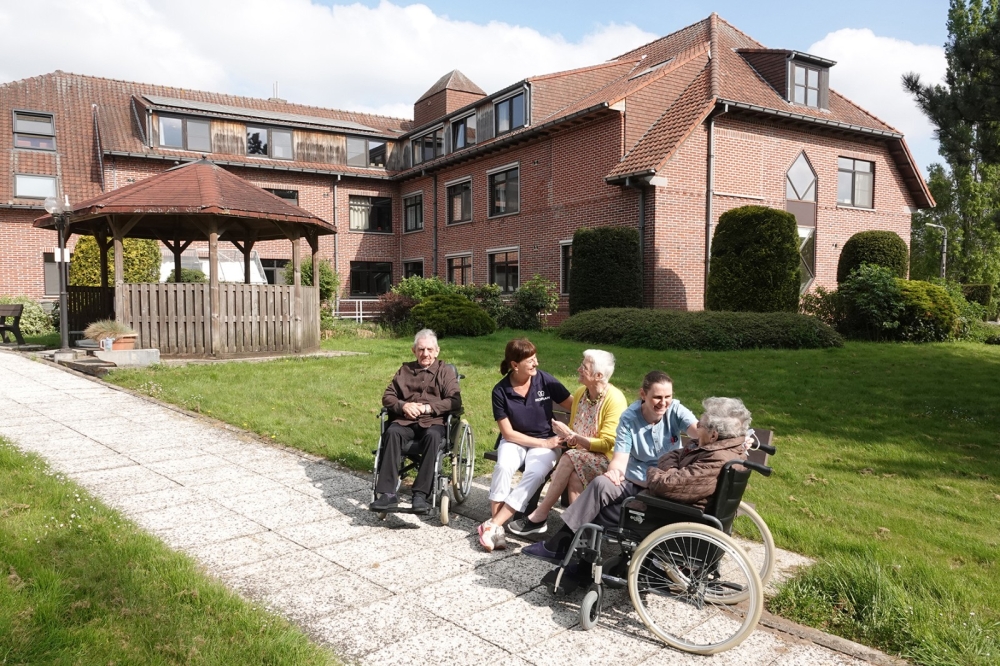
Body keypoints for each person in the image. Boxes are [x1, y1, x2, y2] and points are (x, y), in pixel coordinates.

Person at [522, 370, 698, 561]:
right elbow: (620, 458)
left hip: (662, 483)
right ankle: (564, 546)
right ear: (643, 395)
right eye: (657, 397)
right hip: (635, 479)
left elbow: (698, 432)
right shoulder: (629, 418)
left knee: (591, 486)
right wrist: (614, 472)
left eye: (668, 396)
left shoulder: (676, 411)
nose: (663, 402)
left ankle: (565, 546)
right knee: (601, 484)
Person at [507, 349, 627, 536]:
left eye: (584, 367)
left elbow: (608, 444)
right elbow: (573, 431)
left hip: (608, 462)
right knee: (573, 472)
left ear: (598, 375)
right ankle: (580, 533)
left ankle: (540, 515)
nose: (579, 369)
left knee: (571, 459)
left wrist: (575, 438)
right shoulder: (581, 393)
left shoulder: (615, 399)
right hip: (579, 457)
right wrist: (564, 436)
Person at [478, 338, 573, 552]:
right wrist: (544, 442)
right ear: (514, 365)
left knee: (536, 472)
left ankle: (493, 525)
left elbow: (574, 404)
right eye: (530, 360)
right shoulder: (500, 391)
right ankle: (498, 528)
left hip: (546, 444)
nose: (536, 363)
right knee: (503, 467)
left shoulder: (544, 380)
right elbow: (508, 433)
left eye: (535, 358)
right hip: (517, 441)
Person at [371, 329, 461, 514]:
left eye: (429, 349)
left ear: (437, 351)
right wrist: (403, 406)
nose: (425, 354)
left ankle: (420, 494)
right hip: (405, 421)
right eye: (421, 349)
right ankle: (387, 494)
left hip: (433, 421)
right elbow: (388, 397)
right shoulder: (405, 371)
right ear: (414, 351)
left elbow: (455, 400)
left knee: (433, 437)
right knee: (392, 432)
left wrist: (428, 408)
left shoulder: (445, 372)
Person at [645, 397, 751, 509]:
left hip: (678, 514)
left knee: (629, 504)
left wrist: (651, 471)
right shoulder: (717, 448)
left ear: (713, 436)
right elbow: (672, 455)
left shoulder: (716, 459)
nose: (697, 427)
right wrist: (673, 471)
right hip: (679, 506)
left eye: (700, 425)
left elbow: (665, 485)